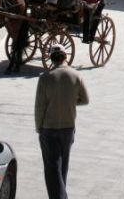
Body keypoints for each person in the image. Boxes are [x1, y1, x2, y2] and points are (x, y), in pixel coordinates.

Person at [35, 44, 90, 199]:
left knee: (52, 170)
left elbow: (39, 106)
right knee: (62, 168)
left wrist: (39, 127)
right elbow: (85, 100)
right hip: (68, 127)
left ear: (51, 59)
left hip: (49, 128)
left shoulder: (45, 78)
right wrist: (70, 102)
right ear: (66, 57)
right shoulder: (76, 75)